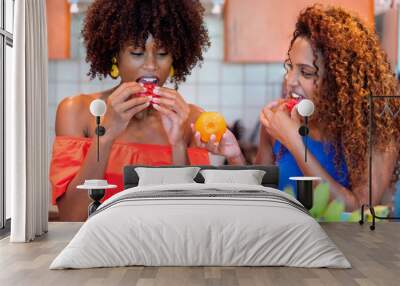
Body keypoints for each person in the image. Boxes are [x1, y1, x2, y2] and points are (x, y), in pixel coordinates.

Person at [49, 0, 241, 221]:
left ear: (174, 58)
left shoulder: (191, 118)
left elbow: (193, 216)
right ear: (115, 56)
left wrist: (178, 144)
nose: (151, 65)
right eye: (137, 53)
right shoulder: (77, 112)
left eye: (162, 53)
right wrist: (107, 134)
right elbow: (72, 217)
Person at [256, 5, 400, 211]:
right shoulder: (278, 122)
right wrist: (235, 156)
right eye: (290, 67)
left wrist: (295, 141)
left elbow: (358, 209)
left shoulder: (378, 131)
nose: (290, 80)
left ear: (339, 82)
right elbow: (260, 195)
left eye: (306, 72)